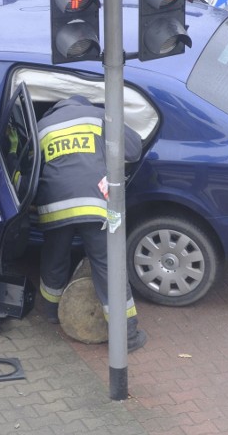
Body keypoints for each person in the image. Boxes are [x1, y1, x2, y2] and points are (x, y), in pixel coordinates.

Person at [34, 95, 148, 353]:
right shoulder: (98, 116)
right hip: (95, 203)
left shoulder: (42, 126)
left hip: (54, 206)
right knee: (108, 267)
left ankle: (52, 312)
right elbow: (133, 149)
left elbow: (31, 168)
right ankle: (127, 336)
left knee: (54, 258)